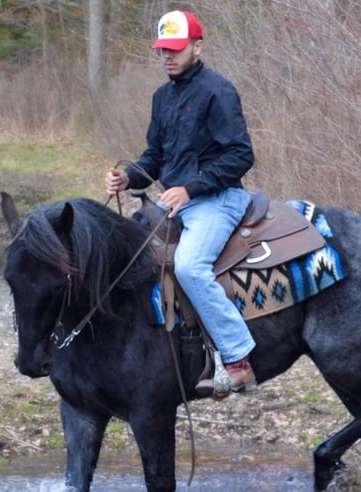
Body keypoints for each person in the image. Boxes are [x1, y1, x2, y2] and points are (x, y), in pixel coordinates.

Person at [105, 9, 256, 397]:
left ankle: (237, 360)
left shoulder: (218, 91)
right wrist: (128, 178)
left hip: (219, 199)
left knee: (189, 266)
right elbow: (154, 158)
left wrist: (190, 188)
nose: (168, 56)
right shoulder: (162, 97)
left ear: (197, 46)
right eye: (163, 50)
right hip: (176, 203)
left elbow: (241, 155)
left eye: (175, 48)